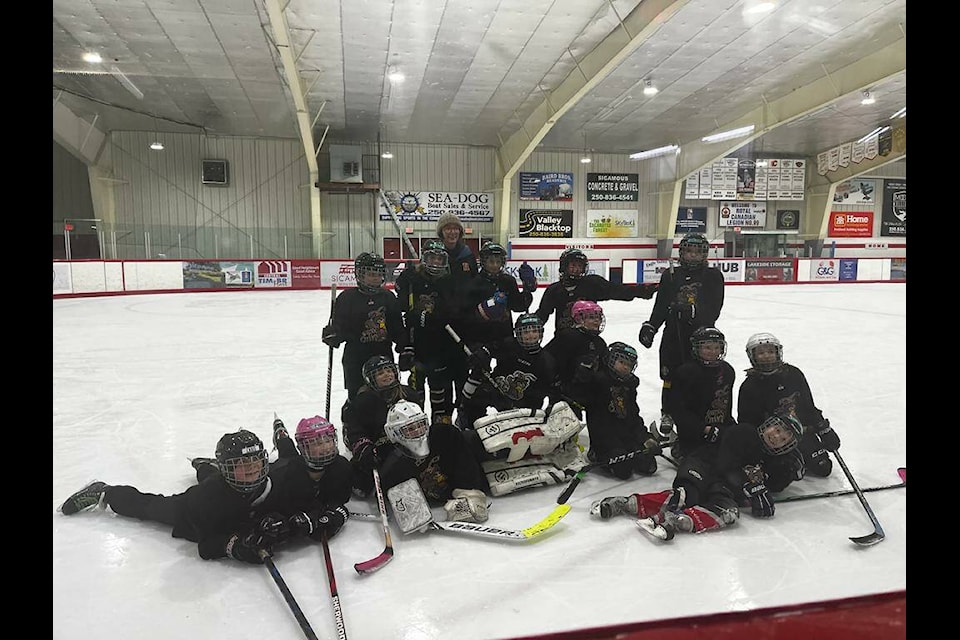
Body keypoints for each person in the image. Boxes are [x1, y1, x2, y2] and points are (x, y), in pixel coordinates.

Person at [58, 429, 349, 565]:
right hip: (191, 511)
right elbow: (207, 543)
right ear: (228, 469)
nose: (250, 471)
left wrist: (292, 524)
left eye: (255, 463)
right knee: (150, 506)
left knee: (213, 478)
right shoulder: (206, 498)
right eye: (240, 466)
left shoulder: (277, 481)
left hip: (222, 488)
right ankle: (106, 490)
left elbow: (307, 509)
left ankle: (203, 465)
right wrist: (237, 546)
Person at [637, 233, 725, 440]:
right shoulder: (670, 275)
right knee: (670, 376)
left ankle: (697, 413)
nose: (693, 256)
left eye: (697, 252)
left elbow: (714, 309)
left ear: (704, 254)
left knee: (698, 376)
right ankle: (668, 412)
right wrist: (651, 326)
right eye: (688, 251)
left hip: (701, 338)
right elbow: (661, 306)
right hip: (673, 335)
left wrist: (692, 312)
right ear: (681, 252)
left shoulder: (713, 276)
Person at [737, 332, 840, 478]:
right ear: (752, 356)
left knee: (823, 468)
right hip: (775, 441)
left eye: (771, 351)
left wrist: (823, 428)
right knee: (781, 475)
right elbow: (747, 423)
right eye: (761, 352)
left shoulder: (793, 374)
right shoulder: (749, 386)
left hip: (801, 433)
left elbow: (808, 406)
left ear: (778, 352)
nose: (766, 355)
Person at [375, 400, 489, 521]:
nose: (419, 432)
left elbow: (465, 462)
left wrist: (470, 491)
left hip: (460, 489)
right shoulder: (393, 466)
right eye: (410, 429)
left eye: (421, 425)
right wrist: (412, 514)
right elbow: (388, 497)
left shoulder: (446, 435)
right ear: (395, 433)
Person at [562, 341, 658, 479]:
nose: (625, 367)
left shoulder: (629, 385)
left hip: (626, 437)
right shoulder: (598, 380)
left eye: (629, 365)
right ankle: (596, 454)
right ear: (611, 360)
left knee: (649, 466)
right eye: (621, 362)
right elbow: (579, 398)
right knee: (624, 471)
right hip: (604, 440)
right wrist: (582, 379)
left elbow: (633, 416)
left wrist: (645, 438)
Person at [394, 239, 466, 423]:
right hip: (417, 346)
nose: (435, 263)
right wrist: (404, 346)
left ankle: (441, 426)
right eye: (431, 258)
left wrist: (434, 318)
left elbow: (455, 313)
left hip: (442, 348)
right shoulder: (413, 280)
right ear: (424, 258)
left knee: (440, 391)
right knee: (415, 392)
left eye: (439, 259)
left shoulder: (450, 282)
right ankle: (416, 425)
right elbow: (400, 311)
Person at [323, 252, 408, 401]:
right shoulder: (347, 298)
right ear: (360, 275)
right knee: (358, 398)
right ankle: (354, 423)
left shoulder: (388, 297)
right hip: (356, 359)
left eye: (378, 274)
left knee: (387, 397)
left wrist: (405, 348)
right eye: (370, 274)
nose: (376, 278)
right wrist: (333, 334)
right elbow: (340, 327)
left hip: (383, 357)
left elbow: (397, 328)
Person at [457, 312, 557, 430]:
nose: (530, 335)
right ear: (518, 333)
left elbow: (544, 392)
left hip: (522, 404)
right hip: (497, 390)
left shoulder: (546, 361)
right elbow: (490, 348)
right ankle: (468, 422)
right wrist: (481, 354)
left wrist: (525, 405)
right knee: (477, 398)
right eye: (526, 332)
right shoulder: (509, 344)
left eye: (534, 331)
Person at [341, 355, 424, 495]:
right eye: (380, 373)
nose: (387, 375)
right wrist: (364, 448)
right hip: (381, 449)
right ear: (370, 379)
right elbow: (354, 431)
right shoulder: (362, 401)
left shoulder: (409, 394)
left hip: (412, 445)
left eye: (389, 370)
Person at [536, 248, 657, 332]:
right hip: (563, 340)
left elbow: (617, 291)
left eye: (579, 266)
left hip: (589, 339)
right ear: (564, 267)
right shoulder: (554, 290)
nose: (576, 269)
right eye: (573, 265)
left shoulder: (592, 284)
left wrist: (641, 290)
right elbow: (542, 315)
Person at [667, 327, 737, 462]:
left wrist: (727, 428)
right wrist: (702, 429)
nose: (713, 352)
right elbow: (678, 410)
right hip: (694, 433)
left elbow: (726, 406)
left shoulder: (727, 371)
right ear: (696, 348)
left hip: (719, 427)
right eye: (707, 347)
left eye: (717, 347)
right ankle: (680, 445)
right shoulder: (686, 372)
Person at [458, 241, 533, 349]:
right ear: (483, 262)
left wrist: (527, 290)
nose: (495, 265)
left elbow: (517, 306)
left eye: (498, 261)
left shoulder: (508, 281)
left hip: (504, 336)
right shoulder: (474, 283)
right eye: (491, 261)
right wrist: (481, 312)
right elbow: (466, 313)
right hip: (480, 337)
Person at [543, 300, 609, 408]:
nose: (597, 321)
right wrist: (555, 383)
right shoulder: (567, 336)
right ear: (579, 318)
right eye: (592, 317)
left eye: (598, 317)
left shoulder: (599, 343)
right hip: (564, 395)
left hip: (588, 394)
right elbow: (547, 359)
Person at [436, 212, 478, 281]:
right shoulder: (435, 254)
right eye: (448, 228)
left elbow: (475, 278)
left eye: (456, 228)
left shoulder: (467, 254)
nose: (452, 232)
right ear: (441, 232)